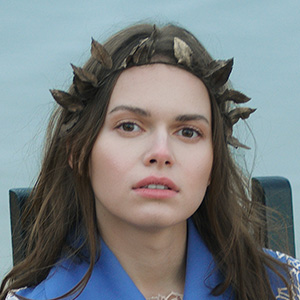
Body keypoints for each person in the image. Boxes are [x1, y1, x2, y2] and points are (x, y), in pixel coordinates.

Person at [1, 23, 299, 300]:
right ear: (78, 150)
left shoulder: (285, 287)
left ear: (214, 161)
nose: (161, 152)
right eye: (129, 126)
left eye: (188, 132)